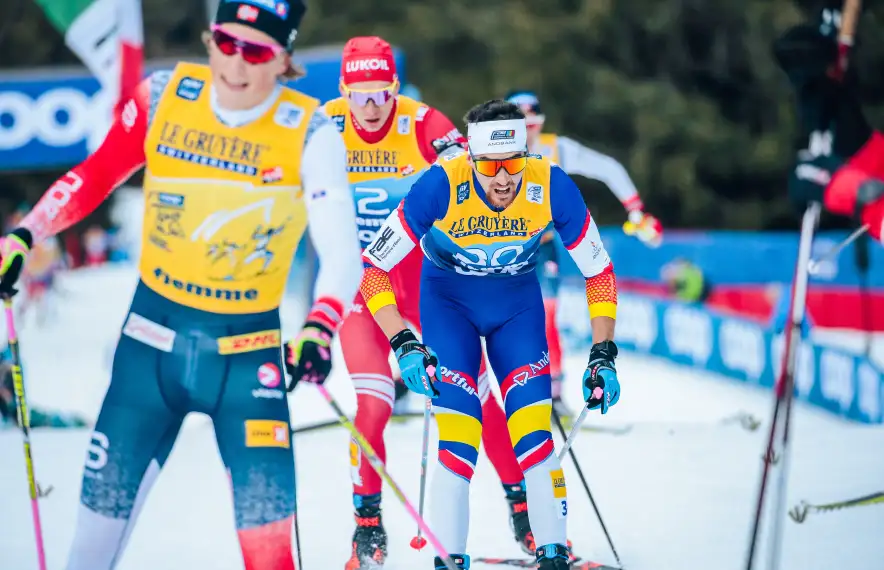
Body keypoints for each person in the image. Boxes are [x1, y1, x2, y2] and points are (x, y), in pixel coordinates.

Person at [0, 2, 363, 569]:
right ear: (210, 38)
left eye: (257, 51)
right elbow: (93, 176)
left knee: (270, 556)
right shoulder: (165, 95)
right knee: (88, 553)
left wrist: (321, 324)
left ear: (284, 58)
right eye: (225, 43)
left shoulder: (310, 131)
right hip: (147, 352)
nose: (236, 65)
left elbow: (342, 248)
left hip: (247, 361)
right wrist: (26, 232)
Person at [359, 99, 622, 570]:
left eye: (513, 164)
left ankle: (553, 555)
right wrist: (403, 341)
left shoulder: (549, 184)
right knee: (459, 439)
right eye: (489, 167)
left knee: (534, 436)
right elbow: (374, 271)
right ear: (471, 159)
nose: (503, 179)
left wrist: (603, 354)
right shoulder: (440, 182)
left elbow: (599, 271)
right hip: (448, 308)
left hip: (515, 310)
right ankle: (448, 560)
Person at [310, 36, 538, 568]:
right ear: (344, 90)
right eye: (359, 94)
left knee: (479, 401)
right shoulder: (321, 126)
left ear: (395, 87)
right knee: (372, 406)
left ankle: (522, 509)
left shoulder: (422, 123)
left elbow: (470, 174)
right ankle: (367, 526)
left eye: (381, 92)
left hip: (427, 284)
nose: (371, 107)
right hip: (359, 287)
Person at [502, 90, 659, 418]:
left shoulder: (554, 149)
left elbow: (608, 168)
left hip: (541, 247)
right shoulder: (491, 150)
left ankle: (554, 393)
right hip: (497, 249)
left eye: (532, 125)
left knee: (545, 318)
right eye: (520, 125)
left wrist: (635, 210)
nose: (527, 133)